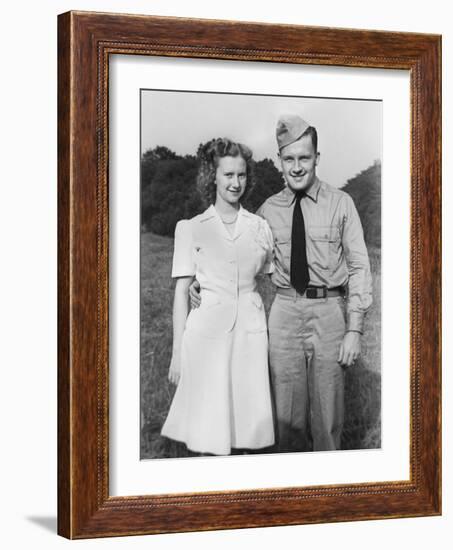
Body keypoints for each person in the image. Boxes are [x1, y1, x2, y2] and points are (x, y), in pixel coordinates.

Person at [191, 115, 373, 453]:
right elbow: (240, 261)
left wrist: (354, 329)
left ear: (317, 157)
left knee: (328, 420)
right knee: (286, 421)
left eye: (305, 158)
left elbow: (361, 266)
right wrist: (202, 284)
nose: (297, 167)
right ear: (279, 161)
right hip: (284, 312)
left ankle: (326, 492)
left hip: (330, 312)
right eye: (289, 159)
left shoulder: (341, 204)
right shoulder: (265, 212)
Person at [161, 137, 275, 456]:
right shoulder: (192, 228)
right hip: (205, 335)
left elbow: (272, 277)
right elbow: (181, 292)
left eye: (241, 175)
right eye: (228, 175)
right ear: (213, 176)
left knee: (246, 429)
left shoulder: (259, 227)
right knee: (206, 430)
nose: (235, 183)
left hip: (249, 335)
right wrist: (176, 356)